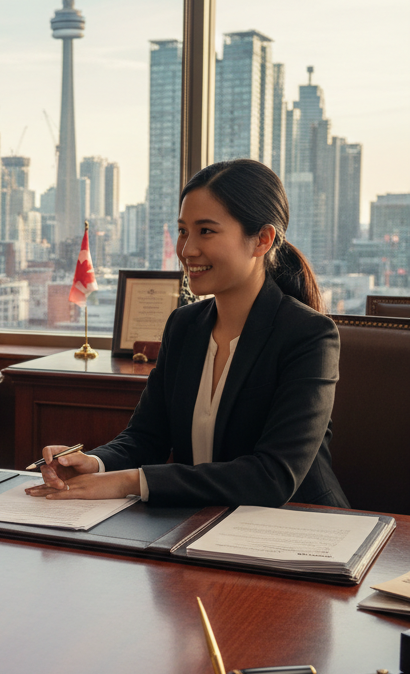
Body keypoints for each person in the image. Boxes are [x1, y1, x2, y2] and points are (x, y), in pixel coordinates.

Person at [27, 159, 349, 508]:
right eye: (183, 230)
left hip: (300, 528)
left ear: (262, 240)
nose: (187, 249)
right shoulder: (183, 326)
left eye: (205, 231)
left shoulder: (310, 336)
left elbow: (271, 477)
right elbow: (146, 437)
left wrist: (128, 482)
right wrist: (95, 463)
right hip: (201, 523)